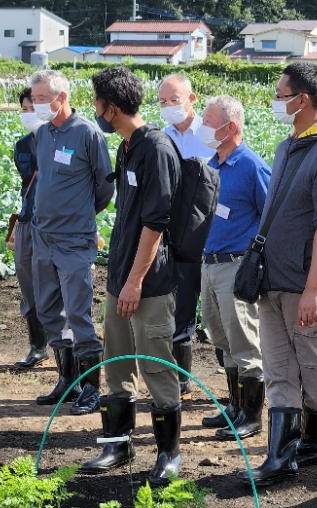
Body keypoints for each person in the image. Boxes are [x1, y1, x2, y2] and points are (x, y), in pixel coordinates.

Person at [238, 63, 317, 486]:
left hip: (306, 287)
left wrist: (313, 290)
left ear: (302, 99)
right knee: (278, 369)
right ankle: (280, 455)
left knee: (313, 368)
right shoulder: (289, 146)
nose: (276, 101)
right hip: (272, 281)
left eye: (282, 94)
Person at [79, 66, 182, 486]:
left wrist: (136, 281)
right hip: (120, 277)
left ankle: (169, 454)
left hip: (149, 283)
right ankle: (117, 442)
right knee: (116, 362)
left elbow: (156, 223)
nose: (96, 112)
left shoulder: (156, 148)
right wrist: (120, 279)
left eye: (98, 105)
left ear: (113, 108)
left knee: (155, 364)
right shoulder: (126, 148)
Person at [29, 69, 114, 415]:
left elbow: (104, 187)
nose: (36, 105)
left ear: (61, 98)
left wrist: (80, 216)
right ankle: (67, 379)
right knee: (49, 310)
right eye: (33, 99)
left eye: (41, 99)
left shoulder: (87, 134)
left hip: (74, 240)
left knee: (79, 314)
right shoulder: (44, 133)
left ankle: (91, 388)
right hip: (43, 237)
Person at [196, 95, 270, 440]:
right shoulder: (212, 164)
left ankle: (252, 416)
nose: (204, 128)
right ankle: (235, 406)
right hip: (209, 263)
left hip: (237, 266)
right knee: (221, 336)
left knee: (244, 341)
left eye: (210, 122)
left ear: (231, 128)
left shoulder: (251, 166)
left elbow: (271, 219)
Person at [158, 73, 215, 399]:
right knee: (176, 308)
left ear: (192, 99)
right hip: (169, 235)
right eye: (163, 102)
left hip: (206, 236)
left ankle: (236, 390)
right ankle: (181, 380)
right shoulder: (161, 137)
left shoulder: (209, 137)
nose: (168, 107)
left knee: (214, 310)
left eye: (174, 100)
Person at [11, 87, 48, 368]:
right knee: (27, 284)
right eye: (24, 109)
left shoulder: (61, 141)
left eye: (32, 108)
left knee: (56, 287)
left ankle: (64, 348)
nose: (28, 114)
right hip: (27, 219)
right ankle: (37, 346)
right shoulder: (22, 146)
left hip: (53, 225)